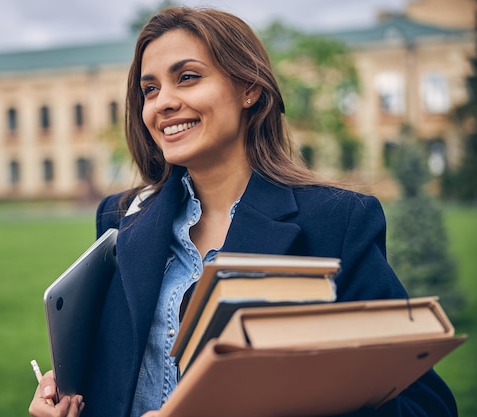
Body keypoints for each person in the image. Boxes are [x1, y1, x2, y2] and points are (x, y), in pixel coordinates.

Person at [29, 6, 459, 417]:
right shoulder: (120, 221)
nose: (163, 102)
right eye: (150, 89)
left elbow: (426, 405)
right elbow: (110, 380)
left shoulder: (337, 222)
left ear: (248, 88)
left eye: (188, 77)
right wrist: (68, 401)